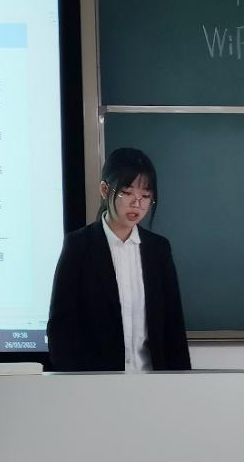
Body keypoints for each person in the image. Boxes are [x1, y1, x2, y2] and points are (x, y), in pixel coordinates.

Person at [47, 147, 190, 372]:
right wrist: (76, 382)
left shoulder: (158, 249)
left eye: (145, 196)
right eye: (127, 192)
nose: (137, 204)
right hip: (98, 383)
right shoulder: (79, 246)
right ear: (105, 190)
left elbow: (173, 327)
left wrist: (182, 382)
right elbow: (61, 328)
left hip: (152, 381)